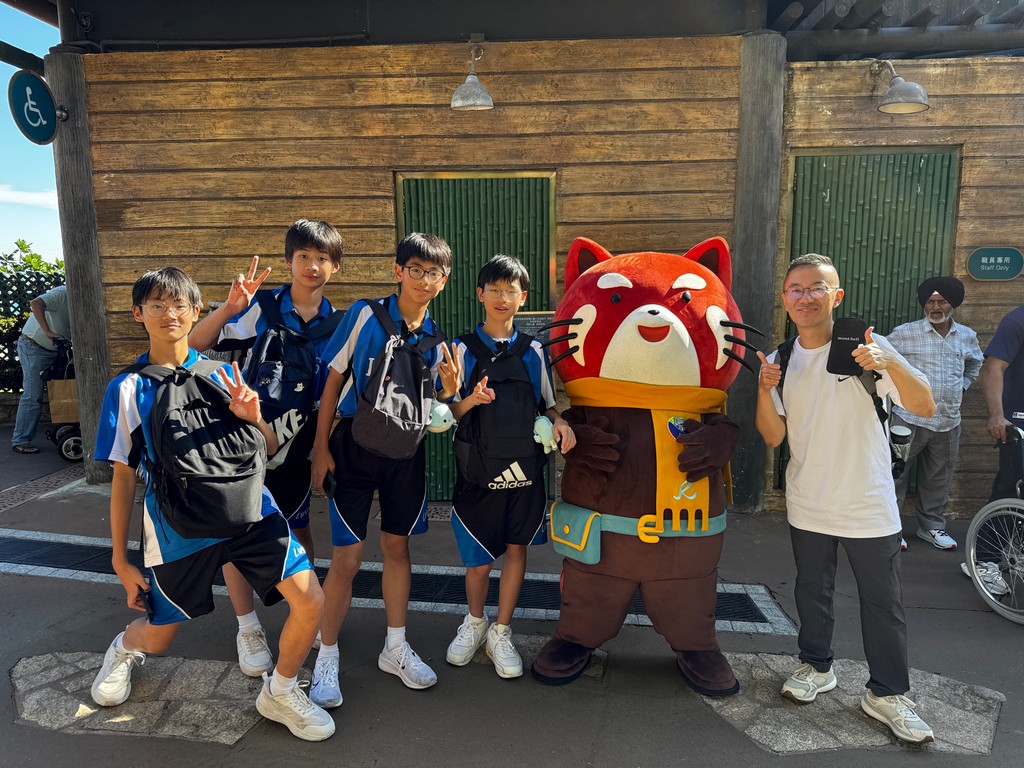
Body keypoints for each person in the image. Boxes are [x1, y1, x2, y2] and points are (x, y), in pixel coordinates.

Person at [91, 267, 333, 742]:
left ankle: (281, 691)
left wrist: (255, 416)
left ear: (195, 311)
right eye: (157, 305)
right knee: (159, 635)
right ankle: (123, 648)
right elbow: (122, 478)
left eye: (179, 305)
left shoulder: (223, 374)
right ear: (138, 314)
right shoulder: (128, 388)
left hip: (250, 511)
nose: (169, 314)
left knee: (310, 600)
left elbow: (266, 447)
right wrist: (120, 560)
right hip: (179, 527)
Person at [755, 253, 937, 745]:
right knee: (811, 590)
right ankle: (816, 666)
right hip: (808, 499)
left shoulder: (869, 347)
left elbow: (925, 405)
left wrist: (889, 362)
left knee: (883, 602)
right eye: (796, 289)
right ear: (785, 299)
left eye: (817, 287)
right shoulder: (780, 358)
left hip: (868, 501)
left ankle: (887, 693)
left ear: (835, 296)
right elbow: (773, 436)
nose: (805, 296)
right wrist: (763, 388)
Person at [308, 232, 460, 708]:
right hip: (352, 448)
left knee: (397, 548)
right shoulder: (364, 315)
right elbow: (333, 380)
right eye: (415, 269)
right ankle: (326, 654)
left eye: (433, 273)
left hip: (405, 457)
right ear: (398, 271)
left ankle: (395, 647)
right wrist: (320, 449)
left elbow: (434, 408)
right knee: (347, 559)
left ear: (444, 280)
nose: (423, 280)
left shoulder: (438, 340)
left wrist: (449, 389)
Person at [189, 219, 343, 677]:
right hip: (245, 440)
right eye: (303, 257)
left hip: (298, 447)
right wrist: (230, 308)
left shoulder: (339, 323)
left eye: (322, 258)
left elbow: (335, 392)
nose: (311, 266)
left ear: (335, 266)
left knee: (299, 527)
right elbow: (194, 345)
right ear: (289, 260)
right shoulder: (262, 307)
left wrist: (322, 448)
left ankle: (306, 612)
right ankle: (248, 627)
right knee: (239, 533)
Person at [444, 255, 576, 678]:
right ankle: (474, 622)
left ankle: (501, 632)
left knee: (517, 550)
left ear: (524, 297)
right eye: (495, 290)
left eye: (511, 291)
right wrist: (471, 399)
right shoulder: (461, 349)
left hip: (525, 473)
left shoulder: (533, 350)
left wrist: (560, 423)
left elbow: (548, 405)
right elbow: (447, 413)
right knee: (479, 563)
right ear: (480, 294)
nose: (503, 298)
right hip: (477, 474)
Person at [887, 276, 983, 551]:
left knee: (938, 478)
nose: (936, 307)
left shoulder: (966, 335)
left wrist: (962, 386)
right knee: (895, 473)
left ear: (953, 304)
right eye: (930, 301)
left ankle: (931, 526)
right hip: (908, 419)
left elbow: (975, 364)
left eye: (942, 301)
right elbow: (883, 362)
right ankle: (891, 529)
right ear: (923, 304)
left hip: (948, 421)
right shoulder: (904, 334)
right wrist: (897, 392)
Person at [969, 302, 1024, 591]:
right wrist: (996, 415)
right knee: (1010, 490)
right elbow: (993, 367)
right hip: (1018, 424)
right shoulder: (1017, 320)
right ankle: (985, 561)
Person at [12, 283, 72, 454]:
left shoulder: (81, 298)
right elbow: (36, 303)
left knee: (63, 389)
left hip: (54, 350)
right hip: (34, 347)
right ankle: (20, 440)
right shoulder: (63, 293)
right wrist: (47, 331)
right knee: (33, 395)